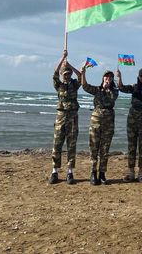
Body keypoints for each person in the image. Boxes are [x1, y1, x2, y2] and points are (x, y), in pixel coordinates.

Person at [81, 66, 119, 186]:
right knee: (94, 147)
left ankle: (102, 173)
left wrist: (107, 89)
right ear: (103, 78)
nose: (108, 78)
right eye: (106, 76)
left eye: (110, 77)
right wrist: (83, 74)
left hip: (108, 121)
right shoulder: (97, 89)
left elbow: (113, 98)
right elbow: (85, 86)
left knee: (105, 148)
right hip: (96, 121)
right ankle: (93, 173)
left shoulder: (114, 91)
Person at [49, 50, 81, 185]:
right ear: (62, 75)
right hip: (61, 117)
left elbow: (80, 76)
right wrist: (62, 58)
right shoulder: (59, 85)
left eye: (68, 74)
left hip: (72, 117)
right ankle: (54, 171)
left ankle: (70, 172)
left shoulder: (74, 84)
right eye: (65, 74)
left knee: (71, 145)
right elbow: (54, 74)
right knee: (57, 144)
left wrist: (70, 65)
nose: (67, 76)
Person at [118, 68, 142, 182]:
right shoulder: (134, 87)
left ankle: (141, 173)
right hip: (132, 119)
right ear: (138, 76)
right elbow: (121, 88)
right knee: (131, 146)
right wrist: (119, 77)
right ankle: (131, 172)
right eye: (141, 76)